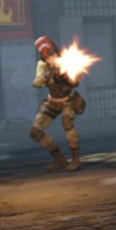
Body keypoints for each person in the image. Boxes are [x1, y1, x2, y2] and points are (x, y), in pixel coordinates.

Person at [30, 36, 87, 172]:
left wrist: (67, 74)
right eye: (46, 55)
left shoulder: (67, 59)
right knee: (35, 132)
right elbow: (36, 83)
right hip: (53, 101)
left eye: (50, 53)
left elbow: (75, 82)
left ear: (54, 49)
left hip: (68, 101)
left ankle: (75, 160)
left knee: (66, 122)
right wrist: (48, 76)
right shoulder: (43, 64)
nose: (50, 57)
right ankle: (59, 159)